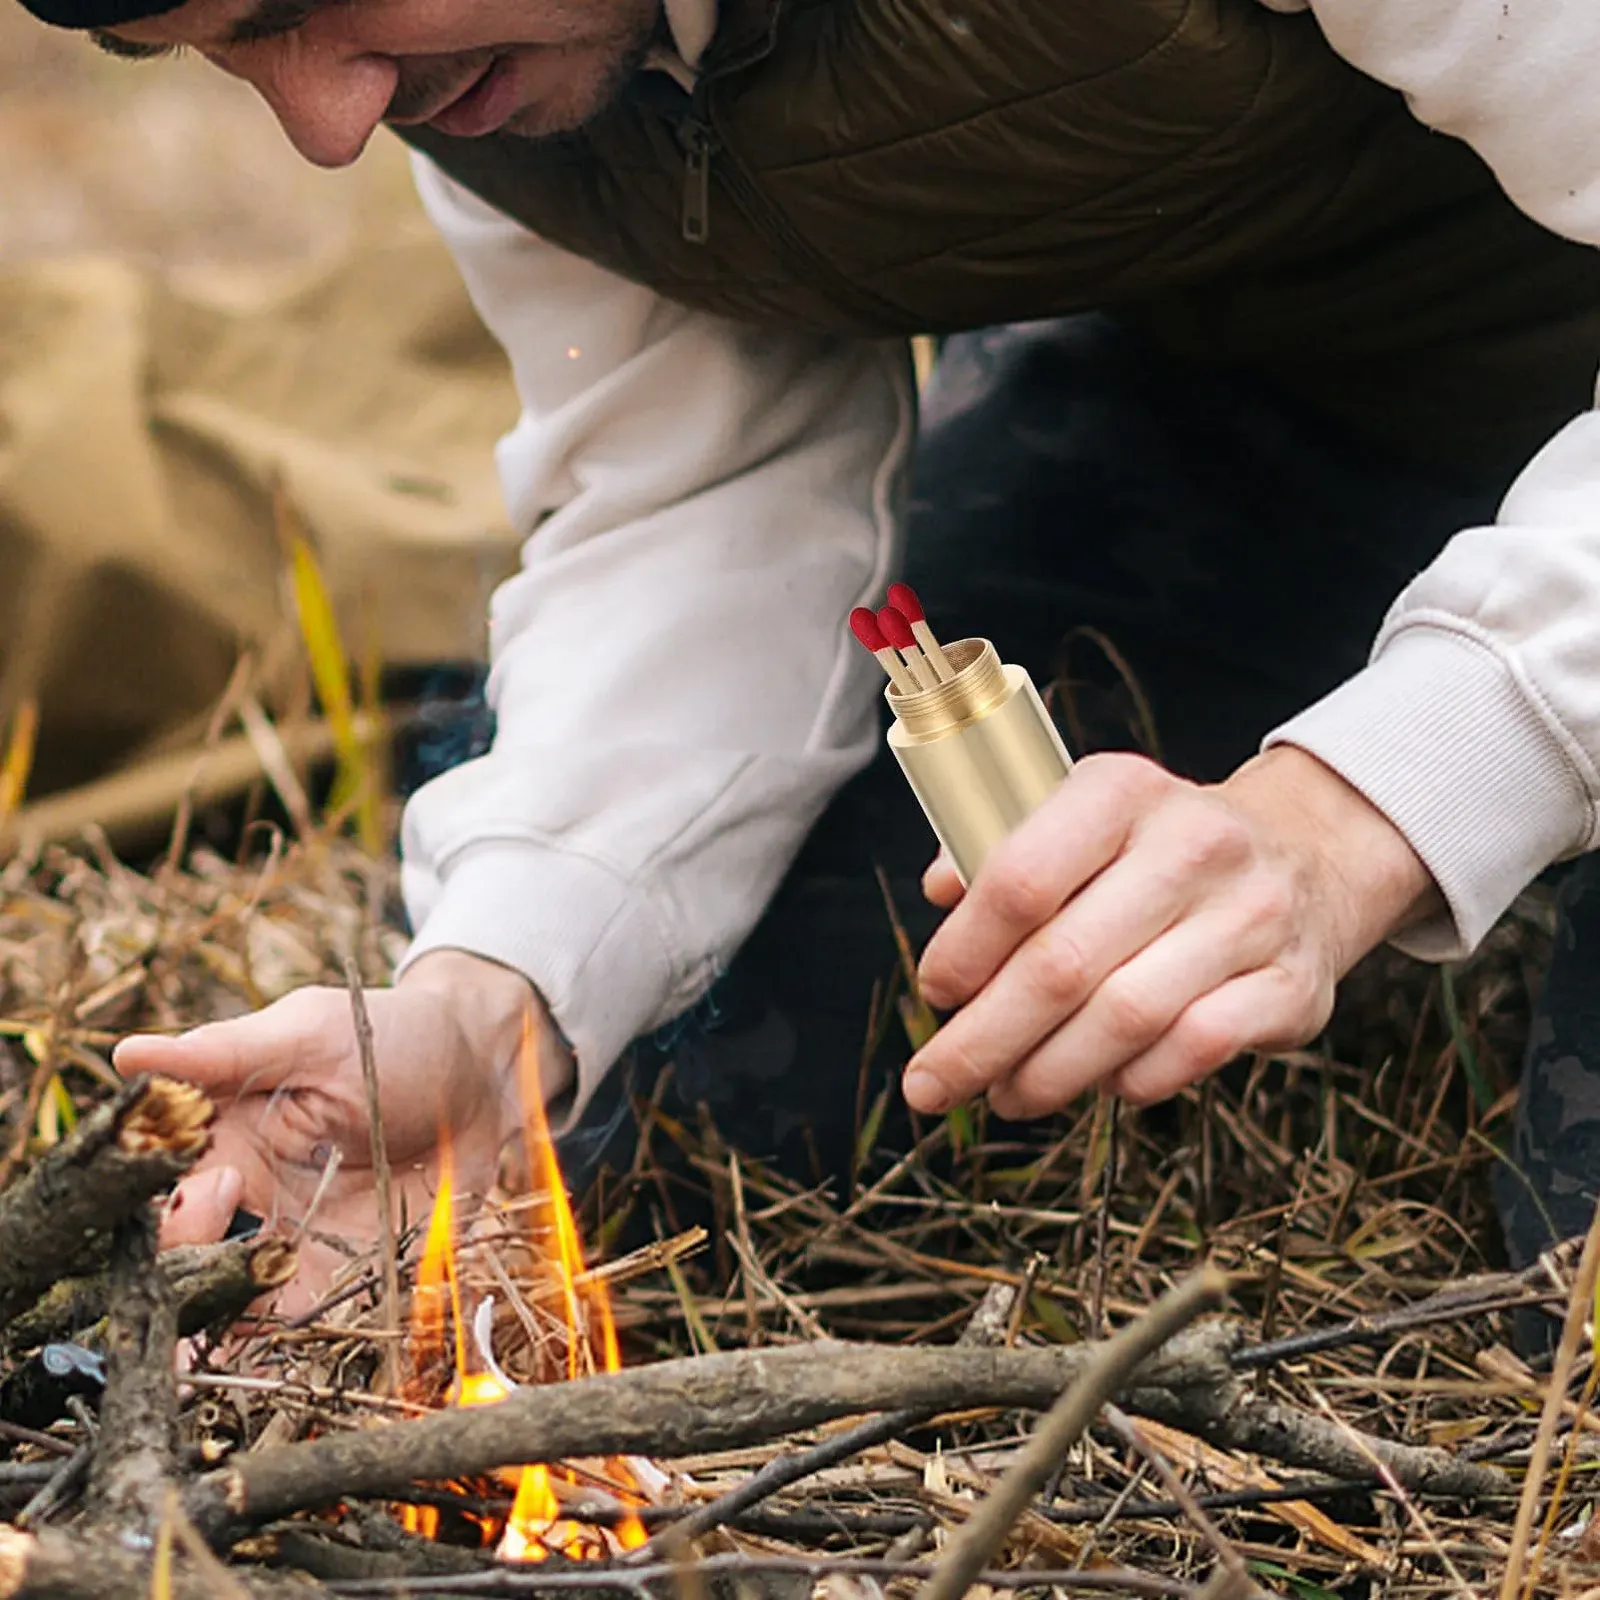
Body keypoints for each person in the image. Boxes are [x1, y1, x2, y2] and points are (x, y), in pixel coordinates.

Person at [22, 0, 1600, 1306]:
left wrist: (1359, 809)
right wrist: (493, 989)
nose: (325, 120)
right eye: (224, 51)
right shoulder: (484, 65)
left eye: (304, 0)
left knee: (1573, 1301)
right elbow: (697, 485)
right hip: (1309, 405)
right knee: (724, 1114)